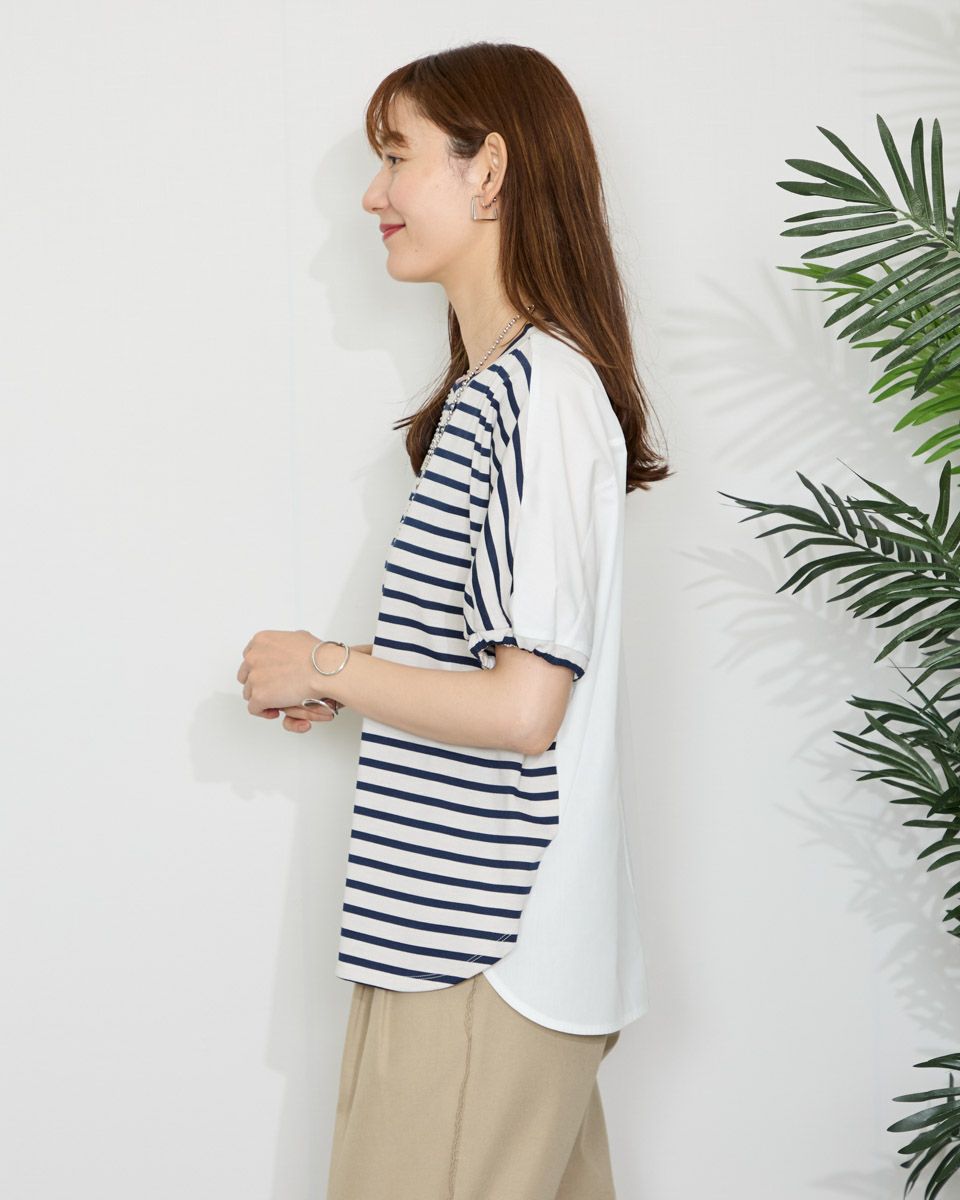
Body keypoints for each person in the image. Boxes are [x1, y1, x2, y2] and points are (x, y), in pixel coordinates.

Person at [237, 40, 671, 1200]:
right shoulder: (505, 395)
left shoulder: (540, 398)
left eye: (396, 158)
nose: (372, 195)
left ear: (490, 172)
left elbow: (526, 709)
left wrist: (327, 662)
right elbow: (502, 678)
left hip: (482, 943)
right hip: (472, 938)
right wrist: (358, 684)